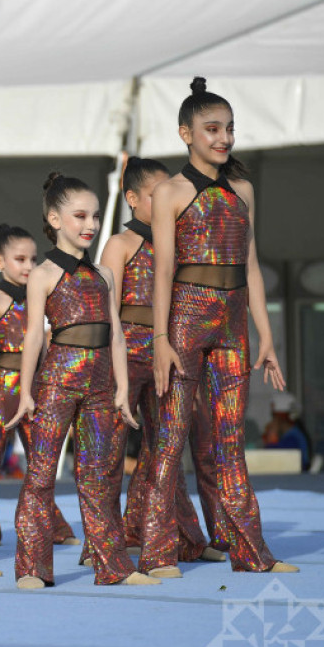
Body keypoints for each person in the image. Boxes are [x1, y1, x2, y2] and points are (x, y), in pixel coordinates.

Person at [148, 78, 297, 575]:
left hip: (233, 324)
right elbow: (163, 270)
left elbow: (251, 266)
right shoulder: (169, 192)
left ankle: (251, 552)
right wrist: (162, 340)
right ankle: (156, 550)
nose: (223, 138)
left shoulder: (243, 190)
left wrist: (267, 334)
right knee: (171, 439)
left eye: (229, 129)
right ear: (185, 134)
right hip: (186, 319)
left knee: (230, 442)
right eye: (212, 129)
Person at [6, 172, 158, 589]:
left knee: (100, 478)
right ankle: (33, 567)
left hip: (101, 385)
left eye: (94, 216)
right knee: (40, 474)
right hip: (57, 380)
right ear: (54, 219)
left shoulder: (104, 276)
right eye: (79, 216)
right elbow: (34, 334)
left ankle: (112, 566)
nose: (90, 224)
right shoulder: (43, 274)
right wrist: (24, 393)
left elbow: (118, 334)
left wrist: (124, 389)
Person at [101, 158, 224, 565]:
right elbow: (107, 311)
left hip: (168, 351)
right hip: (123, 354)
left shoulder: (179, 242)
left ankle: (186, 537)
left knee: (167, 452)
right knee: (109, 452)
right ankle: (102, 543)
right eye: (156, 195)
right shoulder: (119, 245)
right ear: (132, 199)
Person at [0, 224, 77, 548]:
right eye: (20, 259)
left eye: (33, 259)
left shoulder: (44, 295)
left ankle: (53, 525)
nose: (28, 266)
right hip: (3, 387)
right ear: (0, 261)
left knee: (41, 460)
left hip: (36, 387)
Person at [262, 392, 311, 472]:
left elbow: (271, 457)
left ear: (281, 418)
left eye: (274, 417)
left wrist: (272, 435)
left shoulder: (293, 438)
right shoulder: (293, 434)